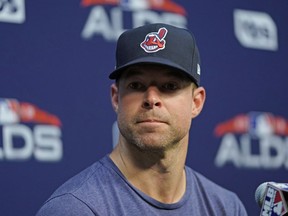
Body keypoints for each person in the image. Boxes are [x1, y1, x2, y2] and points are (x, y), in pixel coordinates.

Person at [36, 23, 248, 215]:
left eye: (170, 86)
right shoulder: (75, 209)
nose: (151, 98)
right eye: (137, 85)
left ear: (196, 102)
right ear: (116, 98)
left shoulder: (226, 207)